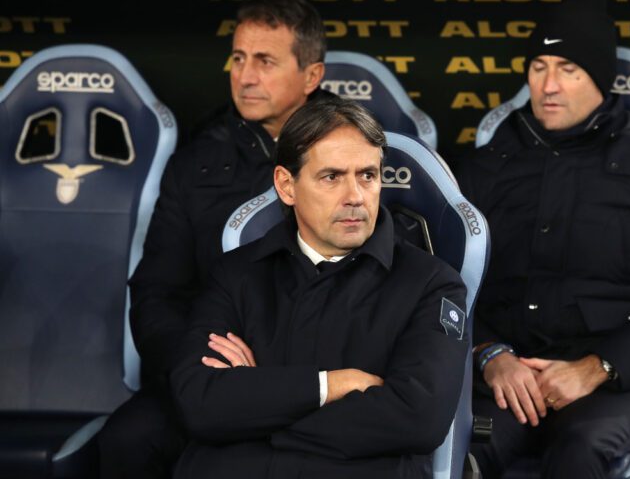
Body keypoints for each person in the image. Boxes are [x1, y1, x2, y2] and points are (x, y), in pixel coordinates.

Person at [457, 0, 630, 478]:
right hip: (504, 380)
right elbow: (443, 284)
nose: (549, 85)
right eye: (539, 67)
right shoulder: (484, 168)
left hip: (615, 386)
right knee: (454, 451)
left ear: (600, 79)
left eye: (569, 69)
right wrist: (489, 355)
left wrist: (596, 367)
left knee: (581, 448)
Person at [168, 98, 467, 478]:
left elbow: (419, 418)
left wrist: (257, 407)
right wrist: (331, 386)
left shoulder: (431, 284)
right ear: (286, 186)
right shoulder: (236, 274)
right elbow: (199, 401)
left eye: (368, 175)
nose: (355, 196)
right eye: (332, 177)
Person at [98, 0, 328, 478]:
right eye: (239, 59)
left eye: (265, 61)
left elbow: (379, 286)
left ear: (311, 76)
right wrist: (196, 369)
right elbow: (156, 290)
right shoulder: (195, 160)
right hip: (206, 375)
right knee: (126, 442)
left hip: (315, 381)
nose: (245, 77)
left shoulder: (354, 153)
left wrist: (290, 378)